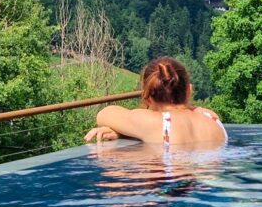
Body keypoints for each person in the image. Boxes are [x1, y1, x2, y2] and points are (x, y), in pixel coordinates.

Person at [84, 57, 226, 147]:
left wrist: (123, 132)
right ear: (189, 90)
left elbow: (104, 114)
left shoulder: (156, 123)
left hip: (173, 187)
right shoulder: (211, 117)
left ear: (147, 97)